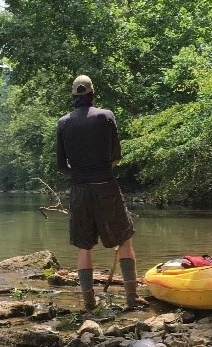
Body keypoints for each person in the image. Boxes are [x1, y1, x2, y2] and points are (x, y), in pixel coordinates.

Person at [55, 74, 147, 311]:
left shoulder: (63, 123)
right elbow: (116, 155)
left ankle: (88, 303)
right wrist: (102, 169)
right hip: (105, 185)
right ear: (92, 93)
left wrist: (80, 175)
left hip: (79, 189)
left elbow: (61, 166)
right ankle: (132, 298)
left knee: (84, 246)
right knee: (124, 239)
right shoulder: (106, 117)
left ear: (74, 96)